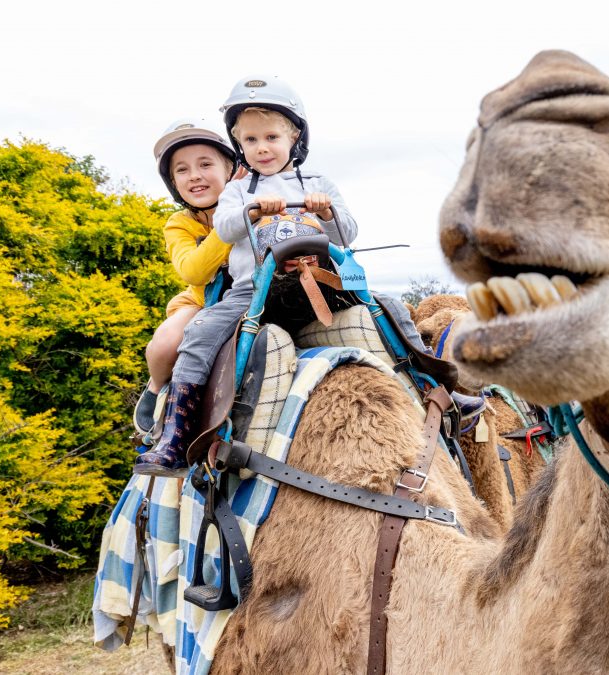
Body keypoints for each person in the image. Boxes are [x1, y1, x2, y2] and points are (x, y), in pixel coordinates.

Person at [134, 76, 482, 476]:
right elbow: (226, 229)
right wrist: (251, 211)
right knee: (200, 333)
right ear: (239, 146)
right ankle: (177, 435)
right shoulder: (237, 192)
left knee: (388, 307)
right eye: (250, 141)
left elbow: (347, 234)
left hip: (318, 283)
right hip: (254, 290)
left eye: (271, 137)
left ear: (293, 137)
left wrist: (327, 211)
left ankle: (435, 388)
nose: (262, 148)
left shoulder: (319, 183)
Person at [132, 120, 238, 437]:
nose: (194, 175)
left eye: (205, 164)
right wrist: (232, 222)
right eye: (182, 170)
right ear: (173, 182)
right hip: (203, 301)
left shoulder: (256, 203)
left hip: (251, 297)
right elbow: (194, 271)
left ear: (231, 171)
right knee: (165, 344)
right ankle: (155, 388)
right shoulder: (180, 224)